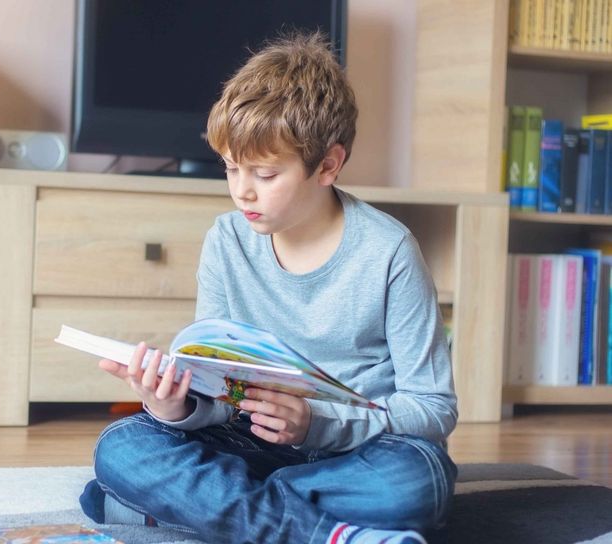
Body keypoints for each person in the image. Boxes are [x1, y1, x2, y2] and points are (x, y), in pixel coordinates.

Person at [77, 32, 458, 544]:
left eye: (265, 173)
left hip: (356, 451)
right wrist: (177, 407)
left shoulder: (388, 251)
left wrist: (316, 423)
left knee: (417, 482)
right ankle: (331, 533)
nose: (242, 191)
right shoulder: (227, 240)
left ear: (328, 165)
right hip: (248, 440)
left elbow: (433, 408)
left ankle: (194, 507)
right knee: (122, 446)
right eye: (232, 168)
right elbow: (217, 384)